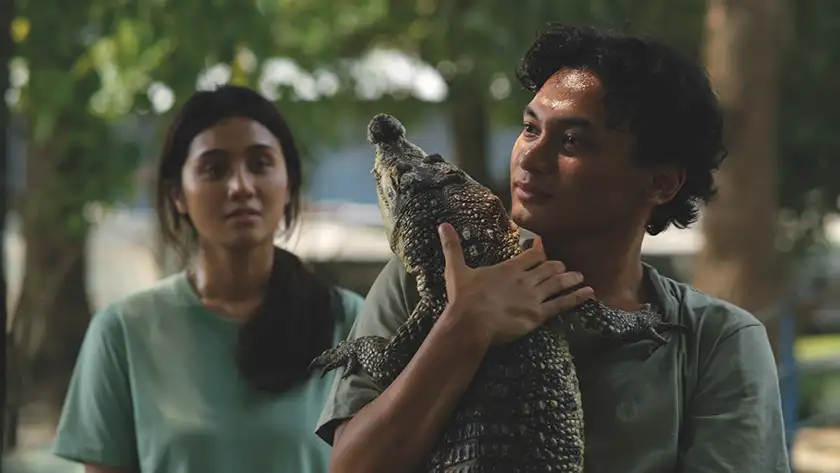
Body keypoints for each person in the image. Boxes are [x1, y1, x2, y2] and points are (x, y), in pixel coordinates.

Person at [315, 24, 791, 473]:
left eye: (571, 141)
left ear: (662, 182)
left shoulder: (715, 340)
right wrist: (463, 328)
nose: (530, 158)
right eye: (529, 128)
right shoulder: (435, 272)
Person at [52, 85, 364, 473]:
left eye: (260, 163)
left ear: (289, 184)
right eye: (214, 169)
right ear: (178, 195)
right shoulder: (122, 333)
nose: (240, 187)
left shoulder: (351, 322)